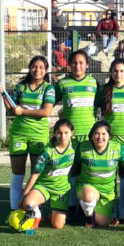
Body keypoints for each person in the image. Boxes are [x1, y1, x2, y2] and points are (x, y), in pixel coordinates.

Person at [0, 55, 55, 211]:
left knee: (36, 173)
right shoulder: (21, 86)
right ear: (30, 68)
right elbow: (11, 108)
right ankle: (14, 210)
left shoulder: (48, 88)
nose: (37, 70)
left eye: (41, 67)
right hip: (19, 133)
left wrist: (22, 110)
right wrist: (3, 94)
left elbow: (46, 112)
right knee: (18, 173)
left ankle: (34, 210)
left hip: (39, 135)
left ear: (46, 70)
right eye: (34, 67)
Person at [54, 49, 98, 218]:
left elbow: (102, 102)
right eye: (74, 62)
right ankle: (72, 206)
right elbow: (50, 101)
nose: (77, 66)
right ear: (69, 65)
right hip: (69, 137)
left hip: (89, 136)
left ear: (87, 65)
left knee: (88, 169)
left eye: (81, 62)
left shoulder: (94, 83)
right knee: (71, 170)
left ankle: (88, 206)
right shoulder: (63, 84)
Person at [96, 58, 124, 220]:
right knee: (109, 173)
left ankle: (123, 209)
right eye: (115, 71)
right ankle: (111, 208)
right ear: (110, 73)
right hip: (109, 140)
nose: (118, 74)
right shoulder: (104, 90)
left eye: (122, 71)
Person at [18, 118, 75, 230]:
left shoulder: (74, 146)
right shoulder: (47, 152)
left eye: (66, 133)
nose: (63, 136)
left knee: (58, 226)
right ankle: (38, 215)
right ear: (55, 133)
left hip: (61, 190)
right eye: (59, 133)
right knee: (28, 203)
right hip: (44, 186)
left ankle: (53, 216)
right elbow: (35, 175)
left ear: (72, 133)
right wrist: (23, 196)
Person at [75, 121, 124, 227]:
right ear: (92, 135)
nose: (100, 137)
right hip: (87, 187)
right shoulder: (83, 148)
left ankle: (91, 210)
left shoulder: (117, 148)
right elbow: (75, 166)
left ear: (109, 136)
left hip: (107, 193)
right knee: (89, 196)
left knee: (103, 223)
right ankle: (88, 216)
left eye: (104, 134)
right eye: (97, 133)